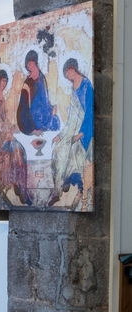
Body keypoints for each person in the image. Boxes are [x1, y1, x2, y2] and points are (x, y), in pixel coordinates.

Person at [50, 58, 94, 204]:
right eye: (66, 75)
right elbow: (71, 119)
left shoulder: (87, 85)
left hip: (86, 130)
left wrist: (80, 134)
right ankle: (59, 188)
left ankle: (79, 186)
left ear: (73, 68)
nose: (68, 76)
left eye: (68, 73)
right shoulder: (73, 91)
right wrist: (60, 135)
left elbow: (90, 113)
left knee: (75, 150)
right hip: (73, 129)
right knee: (58, 150)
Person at [0, 70, 31, 205]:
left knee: (21, 150)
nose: (4, 83)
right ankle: (15, 186)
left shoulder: (3, 99)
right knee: (15, 150)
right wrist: (4, 136)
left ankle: (21, 187)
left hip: (6, 136)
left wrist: (13, 128)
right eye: (3, 81)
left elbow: (5, 121)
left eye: (6, 81)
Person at [17, 50, 60, 134]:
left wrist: (51, 108)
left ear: (34, 62)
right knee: (42, 125)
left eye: (29, 64)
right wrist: (31, 129)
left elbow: (45, 99)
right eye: (27, 66)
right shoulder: (27, 83)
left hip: (44, 114)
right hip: (33, 117)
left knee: (56, 122)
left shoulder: (42, 78)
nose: (29, 67)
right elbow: (23, 106)